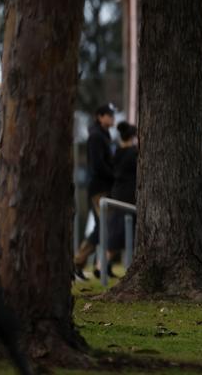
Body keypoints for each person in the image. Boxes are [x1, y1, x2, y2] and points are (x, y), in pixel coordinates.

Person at [74, 103, 115, 281]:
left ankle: (101, 265)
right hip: (99, 188)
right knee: (104, 227)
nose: (112, 118)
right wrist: (114, 174)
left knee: (105, 227)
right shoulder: (96, 137)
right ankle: (78, 262)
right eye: (109, 115)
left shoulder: (104, 135)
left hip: (105, 187)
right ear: (100, 116)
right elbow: (97, 165)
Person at [107, 121, 138, 263]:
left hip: (117, 193)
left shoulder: (116, 152)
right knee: (124, 231)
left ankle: (102, 264)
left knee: (115, 230)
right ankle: (103, 264)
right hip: (129, 195)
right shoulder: (134, 153)